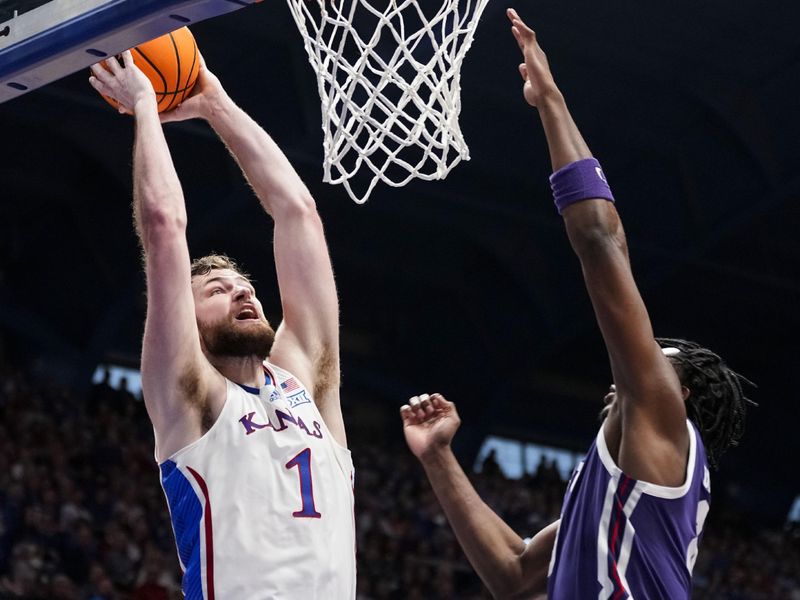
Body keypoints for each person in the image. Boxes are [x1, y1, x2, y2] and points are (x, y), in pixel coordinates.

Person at [400, 8, 753, 599]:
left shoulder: (663, 415)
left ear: (679, 392)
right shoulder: (625, 490)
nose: (632, 364)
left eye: (655, 356)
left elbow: (601, 240)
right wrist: (438, 457)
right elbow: (512, 574)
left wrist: (551, 103)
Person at [89, 51, 355, 599]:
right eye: (216, 289)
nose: (241, 290)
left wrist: (214, 101)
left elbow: (298, 213)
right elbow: (164, 226)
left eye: (245, 285)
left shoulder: (309, 383)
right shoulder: (190, 398)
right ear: (187, 321)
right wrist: (143, 104)